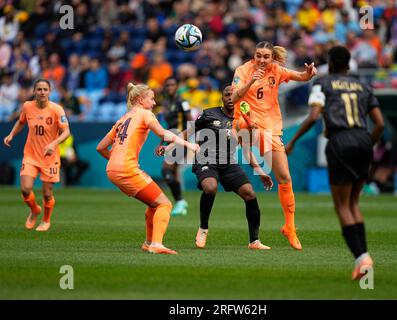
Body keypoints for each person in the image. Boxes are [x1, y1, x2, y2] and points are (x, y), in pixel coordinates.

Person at [285, 46, 385, 280]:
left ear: (329, 65)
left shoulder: (323, 84)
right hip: (363, 140)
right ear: (349, 65)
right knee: (354, 204)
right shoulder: (364, 86)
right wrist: (366, 144)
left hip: (340, 141)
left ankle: (362, 259)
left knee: (342, 206)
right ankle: (363, 257)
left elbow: (313, 116)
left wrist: (293, 141)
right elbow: (379, 124)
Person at [158, 85, 274, 250]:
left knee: (250, 193)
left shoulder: (242, 120)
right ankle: (203, 228)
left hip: (228, 163)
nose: (230, 98)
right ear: (222, 97)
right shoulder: (208, 113)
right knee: (210, 187)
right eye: (227, 94)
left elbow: (247, 150)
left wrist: (261, 172)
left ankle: (254, 241)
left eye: (233, 95)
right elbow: (187, 131)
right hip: (206, 160)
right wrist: (169, 147)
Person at [231, 41, 317, 250]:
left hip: (270, 129)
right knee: (243, 126)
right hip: (245, 123)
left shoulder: (276, 71)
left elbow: (301, 77)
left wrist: (309, 73)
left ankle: (290, 227)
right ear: (254, 55)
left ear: (272, 58)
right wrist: (251, 81)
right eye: (258, 55)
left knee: (285, 178)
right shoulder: (242, 70)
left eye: (265, 56)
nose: (261, 59)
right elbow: (233, 97)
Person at [96, 83, 199, 255]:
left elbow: (100, 147)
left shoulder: (122, 119)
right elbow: (164, 134)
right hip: (126, 168)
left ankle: (148, 242)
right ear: (140, 99)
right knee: (165, 204)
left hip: (112, 169)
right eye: (151, 99)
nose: (153, 103)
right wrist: (189, 144)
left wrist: (114, 160)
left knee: (153, 204)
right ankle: (157, 244)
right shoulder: (145, 113)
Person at [3, 79, 71, 231]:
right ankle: (34, 210)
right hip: (31, 155)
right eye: (39, 89)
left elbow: (66, 132)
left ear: (49, 91)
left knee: (47, 193)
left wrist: (53, 144)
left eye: (45, 89)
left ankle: (46, 220)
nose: (42, 92)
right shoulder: (27, 106)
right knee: (26, 189)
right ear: (34, 91)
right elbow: (21, 122)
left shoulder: (57, 109)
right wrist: (11, 134)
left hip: (50, 157)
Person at [157, 77, 193, 216]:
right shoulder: (166, 103)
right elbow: (166, 127)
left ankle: (180, 201)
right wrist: (161, 143)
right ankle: (181, 205)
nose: (170, 87)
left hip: (179, 139)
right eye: (168, 85)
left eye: (173, 84)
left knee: (166, 170)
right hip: (170, 139)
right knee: (174, 173)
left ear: (177, 86)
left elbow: (191, 122)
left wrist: (185, 140)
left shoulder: (182, 102)